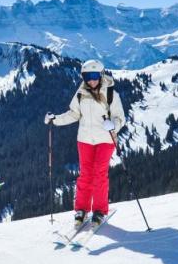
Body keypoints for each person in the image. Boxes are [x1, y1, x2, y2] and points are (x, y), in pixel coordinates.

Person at [44, 59, 126, 226]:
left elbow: (120, 118)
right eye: (87, 76)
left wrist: (114, 125)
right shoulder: (81, 93)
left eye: (95, 75)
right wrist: (55, 120)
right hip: (85, 140)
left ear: (101, 75)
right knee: (85, 175)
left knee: (99, 174)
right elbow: (74, 114)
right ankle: (81, 209)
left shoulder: (111, 93)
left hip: (105, 139)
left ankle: (99, 210)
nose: (91, 80)